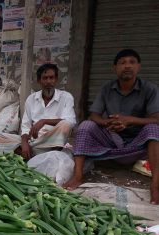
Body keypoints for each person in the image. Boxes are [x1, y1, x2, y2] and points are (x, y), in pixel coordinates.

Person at [63, 49, 159, 204]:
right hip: (112, 138)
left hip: (138, 142)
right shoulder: (107, 88)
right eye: (122, 63)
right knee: (86, 125)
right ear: (114, 68)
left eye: (132, 62)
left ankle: (156, 186)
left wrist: (129, 120)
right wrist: (109, 122)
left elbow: (156, 119)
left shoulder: (150, 89)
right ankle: (78, 175)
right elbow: (94, 115)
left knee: (154, 130)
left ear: (139, 67)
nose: (127, 66)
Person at [20, 63, 76, 160]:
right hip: (34, 140)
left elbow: (71, 122)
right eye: (45, 78)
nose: (49, 81)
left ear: (56, 79)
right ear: (39, 80)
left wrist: (44, 121)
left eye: (51, 78)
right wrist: (24, 143)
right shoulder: (31, 99)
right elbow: (25, 126)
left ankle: (34, 152)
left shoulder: (66, 97)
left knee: (66, 124)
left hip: (55, 142)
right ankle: (33, 151)